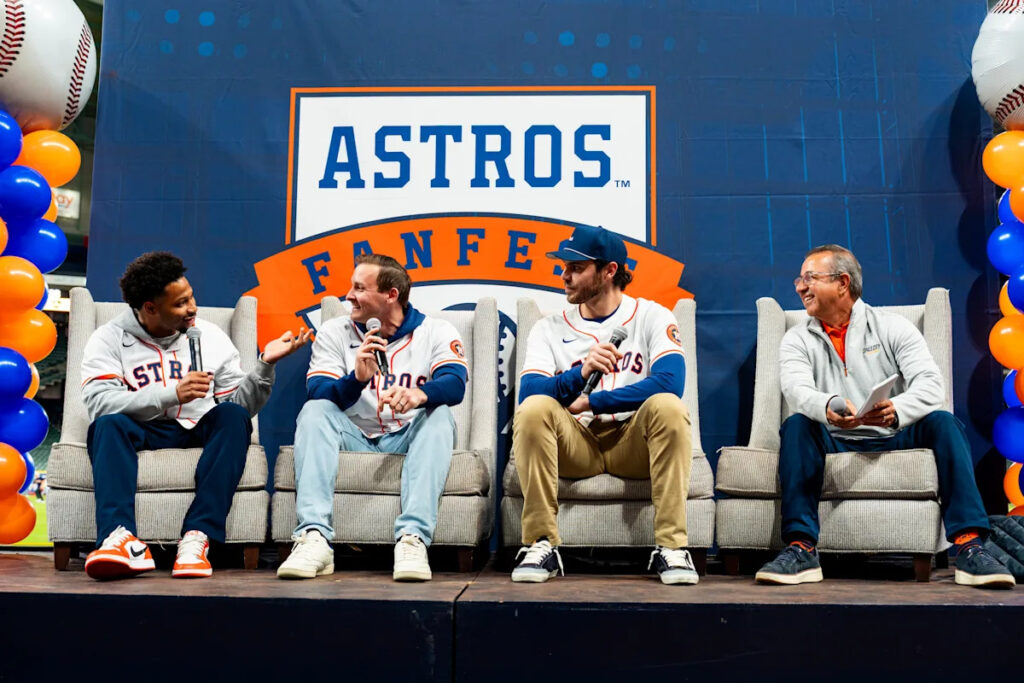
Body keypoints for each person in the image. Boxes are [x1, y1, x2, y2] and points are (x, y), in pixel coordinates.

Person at [755, 244, 1015, 588]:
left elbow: (930, 384)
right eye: (799, 280)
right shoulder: (796, 338)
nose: (800, 287)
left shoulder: (892, 327)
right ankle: (801, 548)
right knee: (797, 425)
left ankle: (969, 548)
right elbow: (796, 390)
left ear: (842, 282)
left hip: (893, 433)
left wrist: (896, 412)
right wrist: (831, 406)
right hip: (834, 435)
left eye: (809, 278)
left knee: (944, 423)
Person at [81, 251, 311, 580]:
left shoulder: (210, 335)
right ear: (150, 308)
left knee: (232, 416)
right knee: (106, 424)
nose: (192, 309)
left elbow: (241, 405)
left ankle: (198, 536)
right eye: (180, 304)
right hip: (142, 430)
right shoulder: (108, 338)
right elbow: (99, 402)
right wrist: (171, 394)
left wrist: (265, 365)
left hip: (196, 427)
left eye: (191, 297)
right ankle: (119, 538)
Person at [511, 224, 697, 585]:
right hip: (576, 445)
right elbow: (529, 392)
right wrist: (579, 374)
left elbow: (671, 383)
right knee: (533, 410)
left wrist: (593, 401)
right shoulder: (548, 327)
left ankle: (672, 548)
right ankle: (541, 543)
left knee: (669, 409)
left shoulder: (652, 316)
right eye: (564, 266)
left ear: (609, 271)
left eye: (576, 268)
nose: (565, 275)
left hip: (633, 442)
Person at [276, 254, 468, 582]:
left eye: (359, 288)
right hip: (353, 434)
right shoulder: (335, 331)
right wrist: (357, 380)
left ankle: (413, 539)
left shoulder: (435, 330)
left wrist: (419, 396)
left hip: (408, 433)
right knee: (314, 410)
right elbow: (318, 389)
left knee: (440, 417)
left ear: (390, 294)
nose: (348, 296)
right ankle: (314, 537)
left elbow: (455, 383)